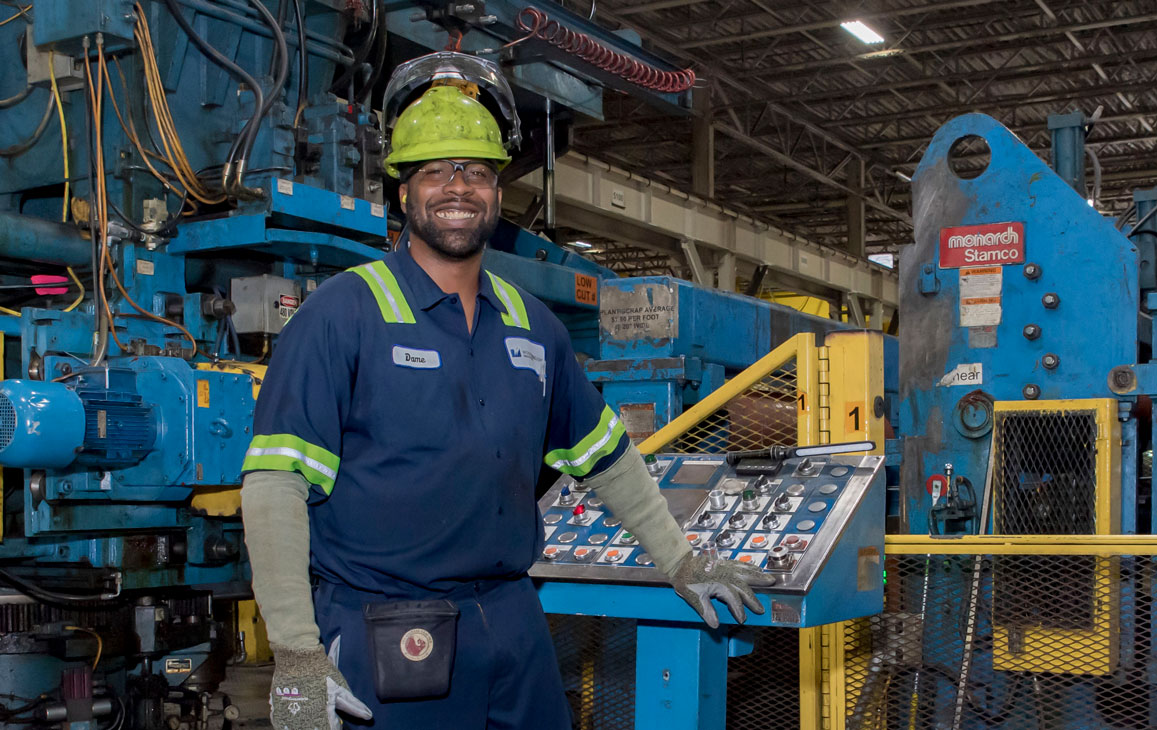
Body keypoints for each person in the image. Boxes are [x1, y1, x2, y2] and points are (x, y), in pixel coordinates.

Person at [240, 54, 774, 730]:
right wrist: (294, 655)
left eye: (476, 171)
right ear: (403, 192)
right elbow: (274, 488)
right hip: (387, 631)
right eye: (433, 170)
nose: (456, 187)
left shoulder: (533, 326)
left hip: (514, 625)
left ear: (497, 192)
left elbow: (607, 458)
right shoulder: (344, 315)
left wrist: (683, 561)